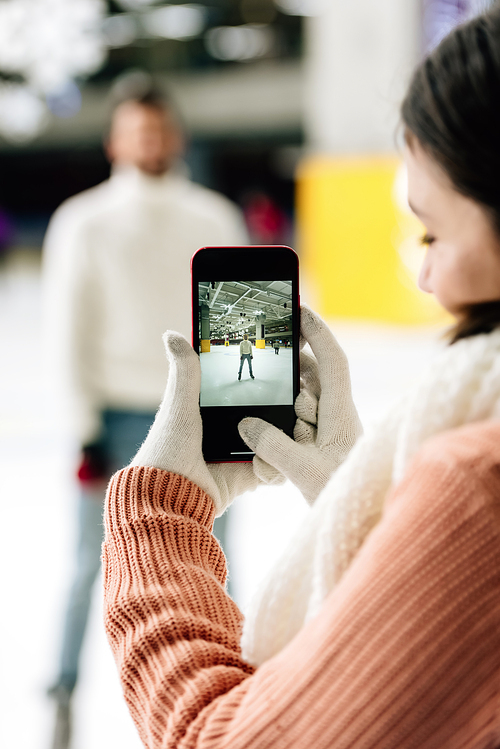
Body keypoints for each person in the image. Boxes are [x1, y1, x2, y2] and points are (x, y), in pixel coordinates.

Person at [102, 7, 500, 746]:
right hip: (114, 397)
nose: (424, 276)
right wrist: (369, 498)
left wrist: (155, 517)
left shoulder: (481, 484)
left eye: (433, 231)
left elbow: (229, 738)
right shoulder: (87, 223)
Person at [42, 87, 248, 741]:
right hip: (117, 419)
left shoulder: (214, 218)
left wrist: (244, 415)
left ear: (176, 137)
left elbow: (241, 317)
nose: (150, 141)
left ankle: (223, 697)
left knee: (213, 560)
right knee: (91, 562)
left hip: (204, 414)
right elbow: (66, 330)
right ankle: (63, 692)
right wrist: (82, 429)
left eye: (159, 129)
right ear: (115, 142)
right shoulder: (83, 221)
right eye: (137, 131)